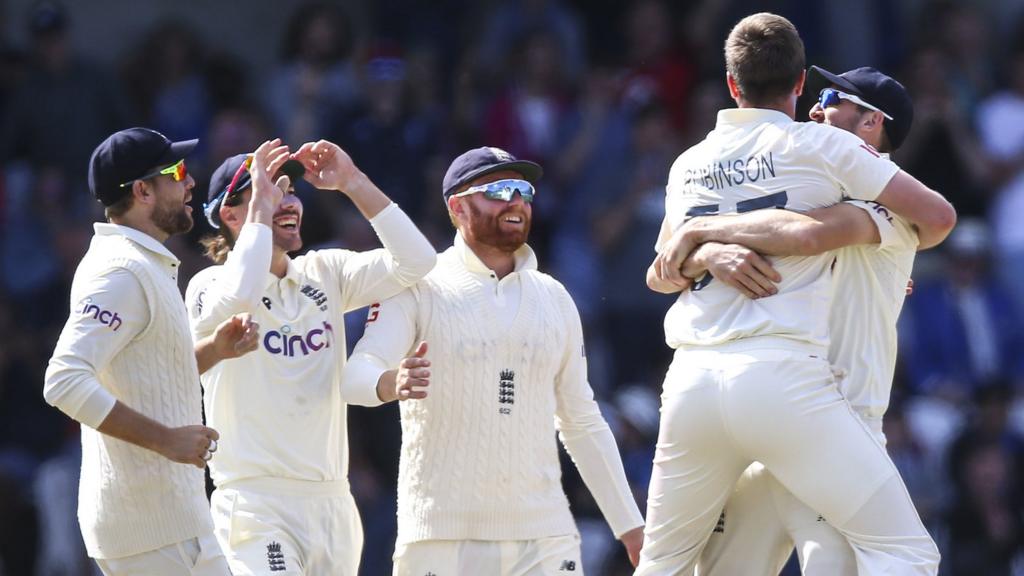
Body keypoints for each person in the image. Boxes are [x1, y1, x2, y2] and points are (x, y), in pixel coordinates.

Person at [636, 13, 955, 575]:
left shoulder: (876, 198)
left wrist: (700, 233)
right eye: (817, 91)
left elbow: (809, 233)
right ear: (797, 80)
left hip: (821, 411)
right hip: (797, 406)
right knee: (894, 553)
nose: (816, 109)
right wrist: (706, 251)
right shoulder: (818, 161)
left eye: (835, 99)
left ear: (874, 125)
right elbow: (669, 269)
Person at [342, 146, 645, 575]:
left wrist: (630, 525)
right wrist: (390, 382)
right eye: (499, 190)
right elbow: (355, 376)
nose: (516, 202)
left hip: (544, 534)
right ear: (458, 207)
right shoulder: (416, 286)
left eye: (523, 191)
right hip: (443, 536)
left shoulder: (555, 298)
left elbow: (582, 421)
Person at [185, 138, 436, 576]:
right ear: (229, 216)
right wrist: (263, 209)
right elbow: (243, 290)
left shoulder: (325, 272)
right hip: (256, 504)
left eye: (290, 190)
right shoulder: (209, 285)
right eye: (268, 191)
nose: (286, 200)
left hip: (332, 504)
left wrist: (353, 182)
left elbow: (417, 261)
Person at [43, 127, 259, 576]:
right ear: (142, 190)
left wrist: (212, 351)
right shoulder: (122, 270)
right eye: (177, 172)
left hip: (165, 523)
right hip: (153, 528)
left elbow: (140, 375)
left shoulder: (140, 263)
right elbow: (63, 381)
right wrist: (167, 440)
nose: (191, 183)